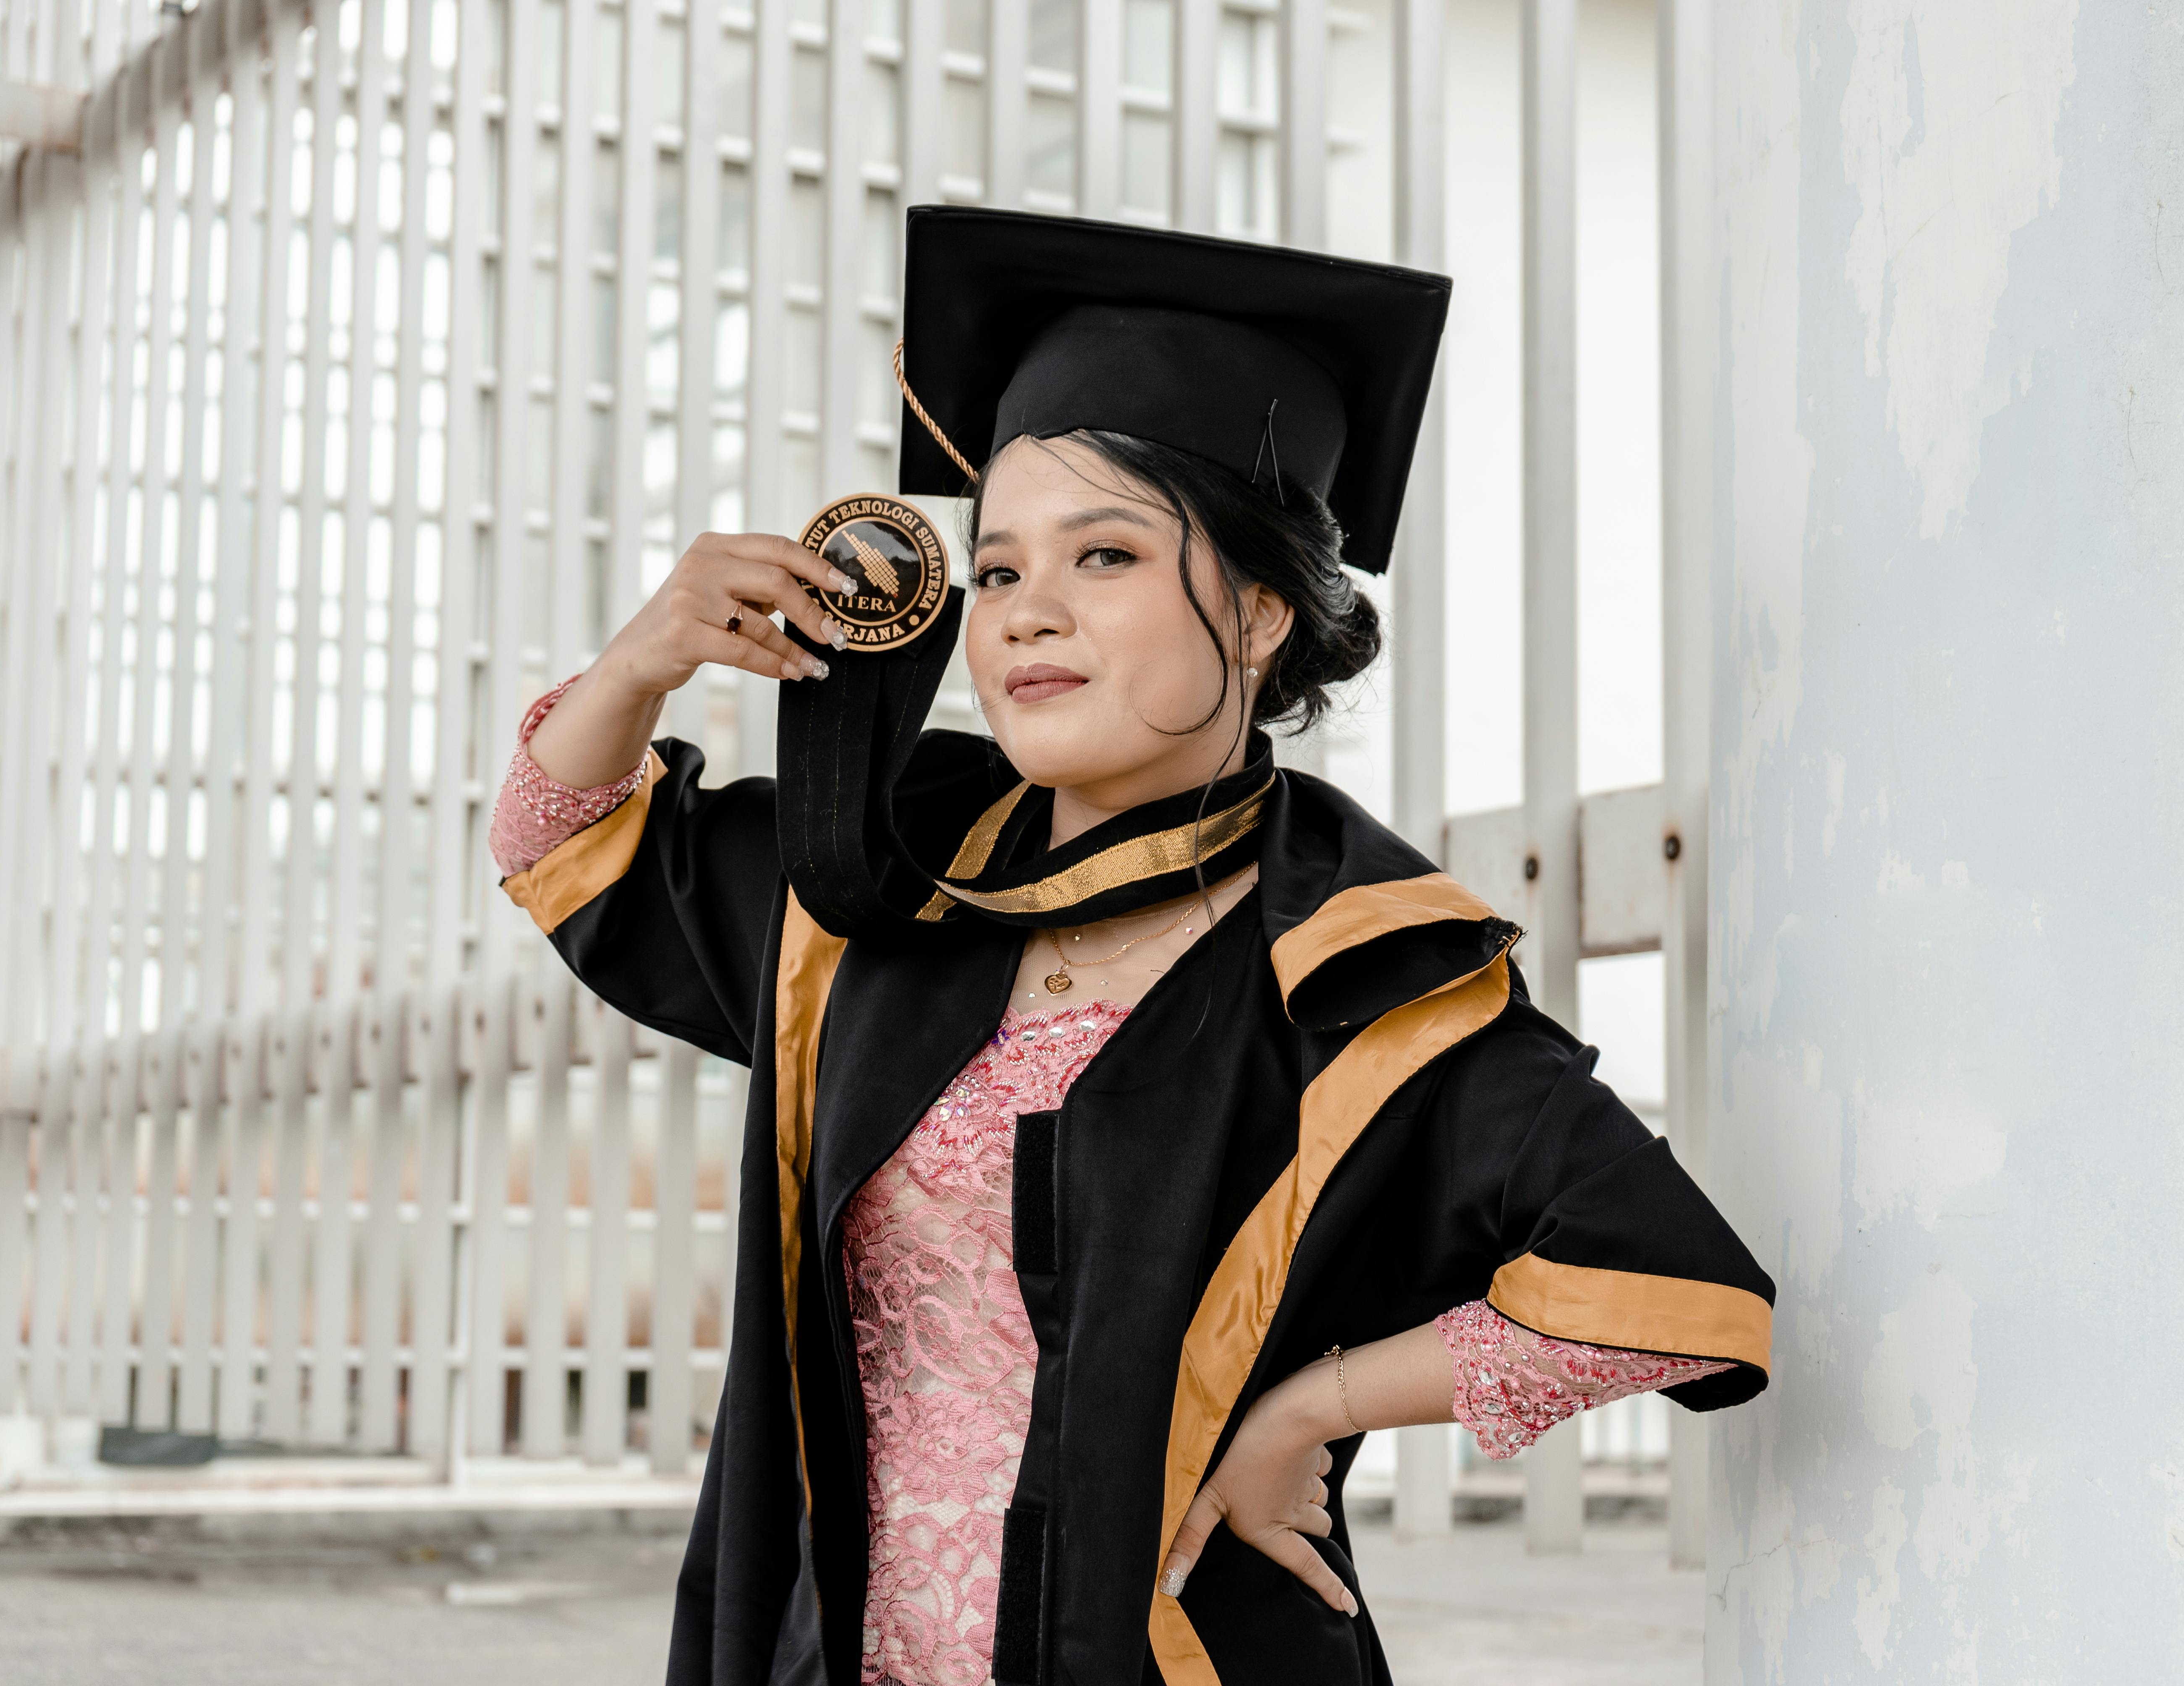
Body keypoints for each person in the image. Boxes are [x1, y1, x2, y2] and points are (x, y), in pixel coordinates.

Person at [489, 207, 1774, 1686]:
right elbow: (563, 841)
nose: (1031, 615)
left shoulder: (1357, 973)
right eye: (1001, 571)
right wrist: (647, 654)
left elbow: (1679, 1298)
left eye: (1105, 555)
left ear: (1262, 611)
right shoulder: (890, 889)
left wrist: (1313, 1408)